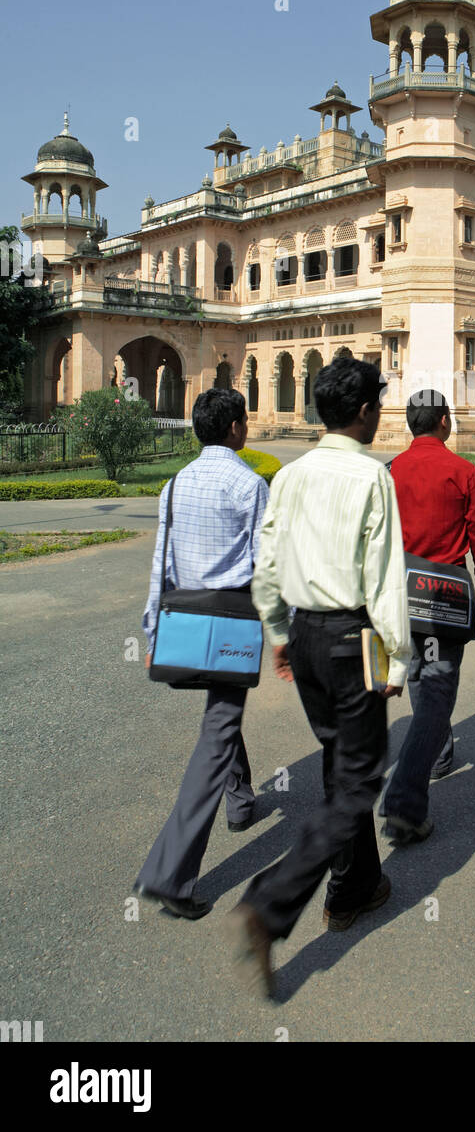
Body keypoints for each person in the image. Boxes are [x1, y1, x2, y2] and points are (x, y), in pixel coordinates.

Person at [226, 357, 411, 999]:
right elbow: (386, 578)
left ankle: (354, 887)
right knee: (360, 778)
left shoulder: (292, 475)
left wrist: (279, 634)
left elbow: (267, 560)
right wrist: (397, 661)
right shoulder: (371, 476)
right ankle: (273, 902)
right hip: (352, 637)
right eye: (378, 405)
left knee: (341, 761)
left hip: (305, 633)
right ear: (364, 413)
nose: (380, 414)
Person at [135, 388, 270, 920]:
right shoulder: (249, 484)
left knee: (221, 709)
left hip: (188, 619)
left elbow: (159, 565)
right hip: (232, 620)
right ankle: (169, 875)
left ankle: (239, 802)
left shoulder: (174, 485)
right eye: (243, 420)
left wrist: (152, 631)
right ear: (236, 427)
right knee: (218, 728)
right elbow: (266, 566)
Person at [381, 390, 475, 842]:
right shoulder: (463, 472)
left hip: (398, 591)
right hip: (443, 594)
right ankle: (405, 802)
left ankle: (440, 750)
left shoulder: (390, 470)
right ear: (446, 422)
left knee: (418, 674)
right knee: (437, 686)